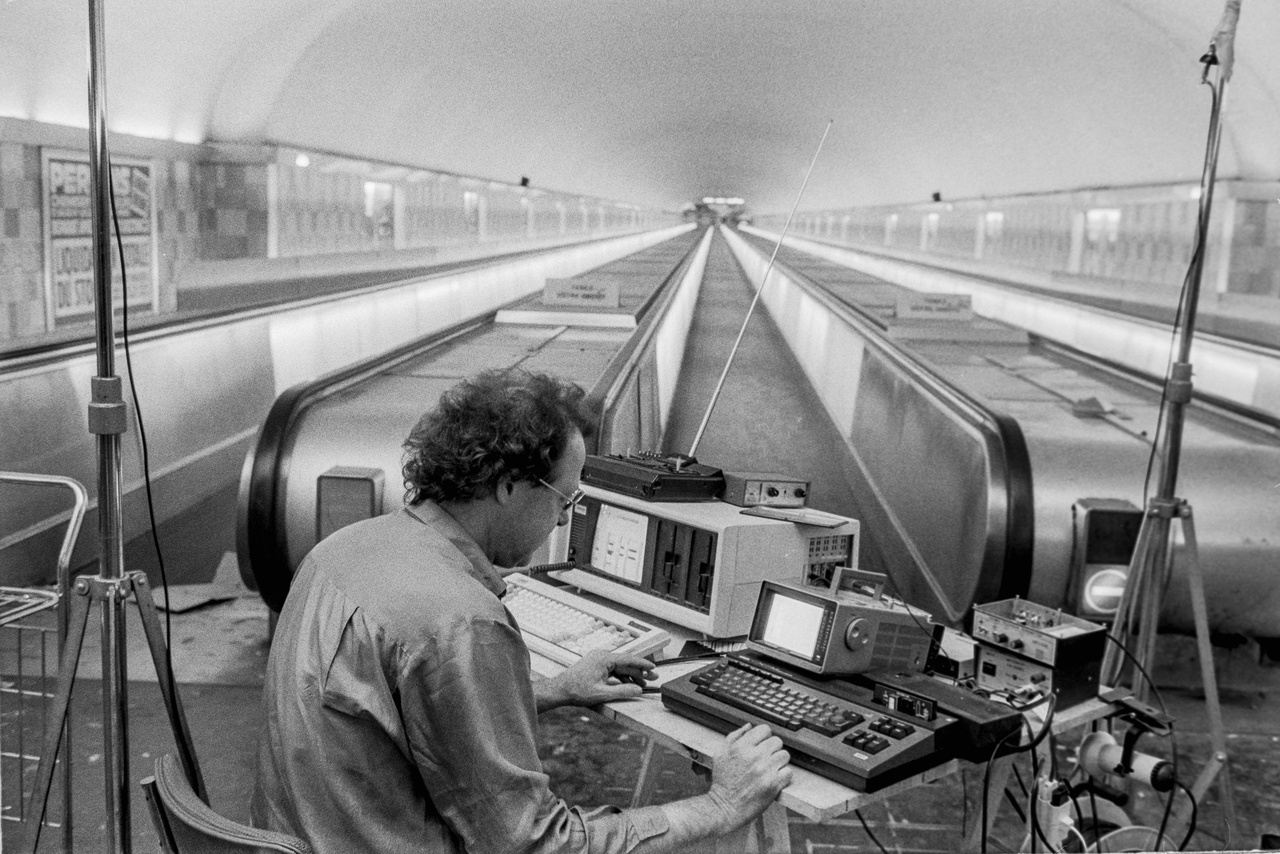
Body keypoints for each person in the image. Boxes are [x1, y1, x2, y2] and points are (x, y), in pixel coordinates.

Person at [251, 367, 792, 853]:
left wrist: (556, 689)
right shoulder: (463, 620)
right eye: (565, 499)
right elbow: (533, 845)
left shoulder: (340, 550)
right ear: (510, 486)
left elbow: (399, 709)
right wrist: (719, 804)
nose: (561, 523)